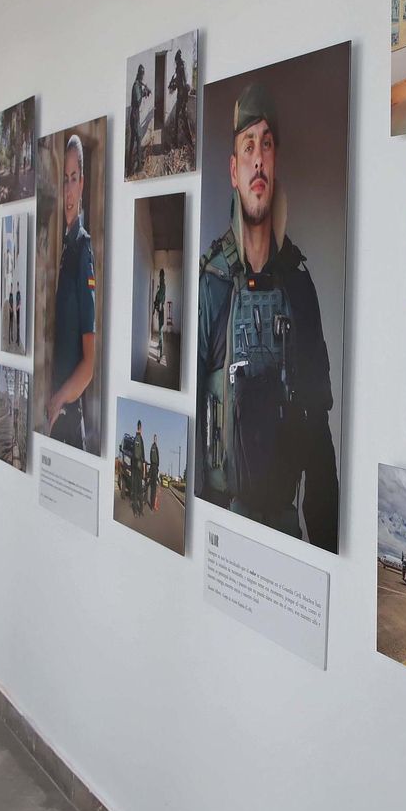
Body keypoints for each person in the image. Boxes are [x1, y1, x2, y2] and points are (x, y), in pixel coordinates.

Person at [198, 82, 339, 551]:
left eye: (267, 144)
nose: (259, 158)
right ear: (234, 170)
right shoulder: (211, 286)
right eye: (248, 145)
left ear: (274, 164)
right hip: (221, 529)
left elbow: (319, 441)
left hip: (284, 537)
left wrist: (327, 553)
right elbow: (194, 419)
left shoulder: (299, 289)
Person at [44, 135, 97, 448]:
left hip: (67, 421)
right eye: (63, 179)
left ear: (82, 183)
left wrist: (58, 400)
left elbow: (89, 366)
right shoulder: (60, 247)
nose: (68, 189)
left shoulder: (81, 249)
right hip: (54, 416)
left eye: (74, 178)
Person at [127, 64, 151, 177]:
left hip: (134, 115)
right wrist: (143, 92)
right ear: (140, 74)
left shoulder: (138, 84)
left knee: (133, 140)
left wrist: (145, 90)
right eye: (142, 74)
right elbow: (137, 100)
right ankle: (138, 167)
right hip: (135, 114)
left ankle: (129, 166)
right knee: (138, 137)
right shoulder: (136, 85)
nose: (143, 76)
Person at [167, 47, 192, 151]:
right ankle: (183, 141)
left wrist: (174, 85)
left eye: (176, 61)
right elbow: (178, 84)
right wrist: (172, 84)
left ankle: (186, 141)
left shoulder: (180, 67)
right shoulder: (181, 69)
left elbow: (182, 84)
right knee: (181, 119)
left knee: (182, 119)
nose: (176, 63)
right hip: (181, 98)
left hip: (182, 98)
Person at [151, 267, 166, 361]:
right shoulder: (162, 285)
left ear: (161, 276)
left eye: (160, 275)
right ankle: (160, 346)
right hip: (160, 309)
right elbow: (159, 296)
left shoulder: (162, 285)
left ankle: (160, 355)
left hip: (161, 310)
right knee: (160, 332)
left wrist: (157, 305)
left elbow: (160, 298)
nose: (159, 277)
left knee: (160, 332)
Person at [132, 419, 146, 504]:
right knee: (138, 488)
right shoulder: (138, 438)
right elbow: (141, 456)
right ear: (140, 428)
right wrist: (143, 469)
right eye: (141, 428)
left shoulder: (137, 438)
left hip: (137, 466)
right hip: (138, 467)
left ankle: (138, 509)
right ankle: (138, 509)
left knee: (137, 488)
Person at [147, 433, 161, 510]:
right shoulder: (153, 447)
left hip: (155, 468)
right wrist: (155, 467)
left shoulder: (155, 447)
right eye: (155, 438)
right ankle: (152, 505)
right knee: (153, 488)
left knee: (154, 488)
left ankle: (152, 505)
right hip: (153, 468)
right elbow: (153, 459)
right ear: (153, 439)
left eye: (156, 439)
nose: (155, 440)